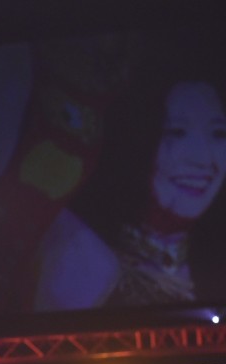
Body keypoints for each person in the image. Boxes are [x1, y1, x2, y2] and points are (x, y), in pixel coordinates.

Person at [33, 74, 226, 310]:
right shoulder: (83, 255)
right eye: (177, 132)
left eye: (218, 133)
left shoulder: (211, 270)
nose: (201, 159)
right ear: (137, 140)